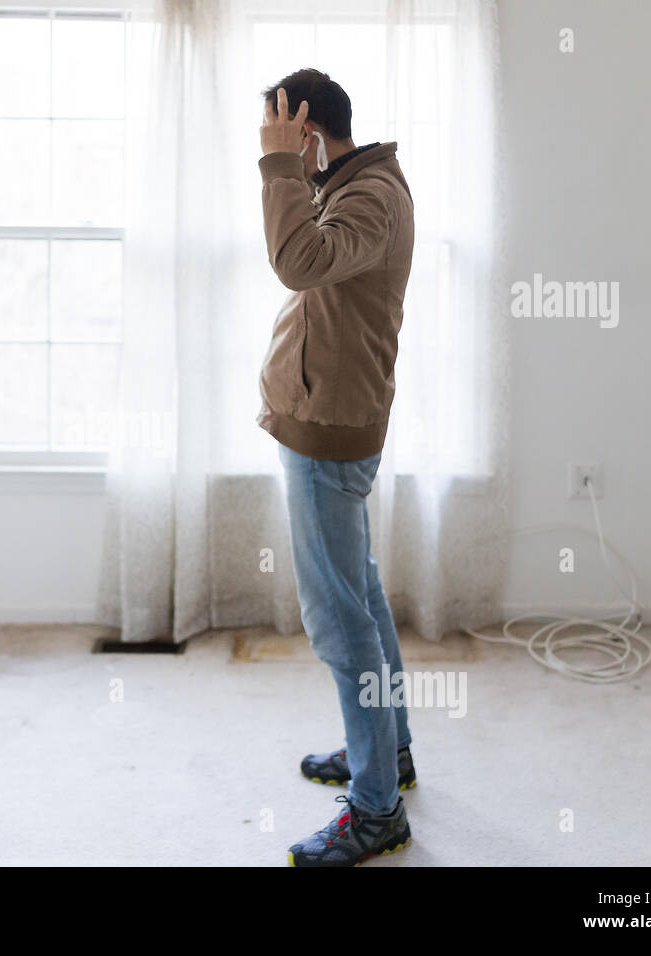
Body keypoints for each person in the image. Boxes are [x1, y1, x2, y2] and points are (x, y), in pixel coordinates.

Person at [256, 68, 416, 867]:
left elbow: (295, 261)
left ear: (308, 131)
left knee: (340, 619)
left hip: (330, 435)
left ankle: (376, 810)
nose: (276, 152)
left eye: (283, 136)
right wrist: (299, 170)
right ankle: (390, 755)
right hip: (327, 422)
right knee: (364, 595)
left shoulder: (369, 197)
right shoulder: (356, 184)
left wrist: (279, 169)